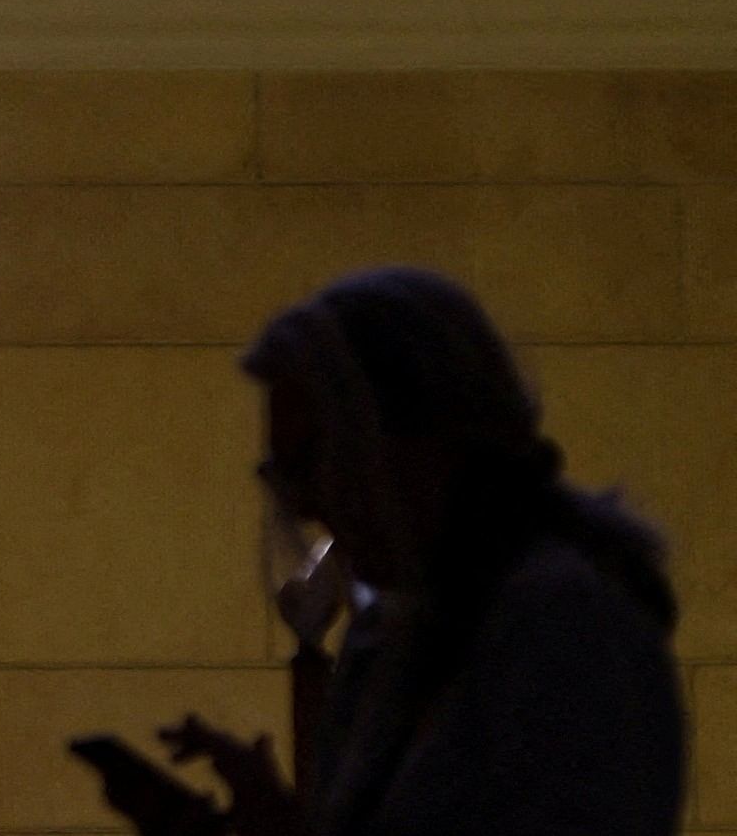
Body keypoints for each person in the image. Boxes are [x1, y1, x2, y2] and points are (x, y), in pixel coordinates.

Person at [97, 267, 685, 836]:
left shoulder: (565, 631)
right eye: (288, 475)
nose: (304, 506)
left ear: (422, 438)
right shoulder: (399, 631)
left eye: (317, 462)